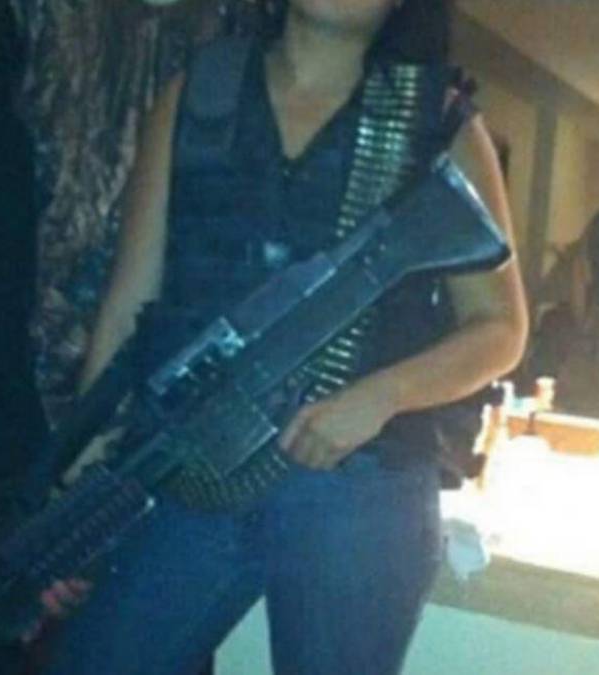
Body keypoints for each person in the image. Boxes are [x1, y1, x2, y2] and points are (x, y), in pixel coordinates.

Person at [27, 1, 528, 673]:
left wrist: (378, 397)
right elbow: (128, 307)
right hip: (190, 465)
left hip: (357, 480)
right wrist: (86, 488)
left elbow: (501, 328)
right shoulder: (197, 95)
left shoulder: (437, 121)